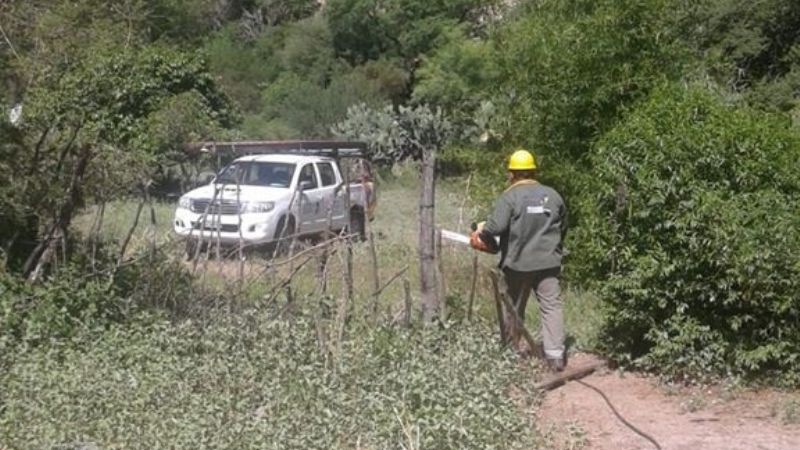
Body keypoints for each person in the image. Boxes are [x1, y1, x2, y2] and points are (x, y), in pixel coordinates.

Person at [471, 149, 568, 372]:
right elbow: (564, 225)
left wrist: (481, 235)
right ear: (533, 171)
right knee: (551, 307)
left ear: (512, 174)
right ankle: (555, 358)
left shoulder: (510, 197)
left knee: (513, 308)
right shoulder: (552, 195)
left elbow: (495, 228)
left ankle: (510, 354)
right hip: (549, 263)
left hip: (517, 264)